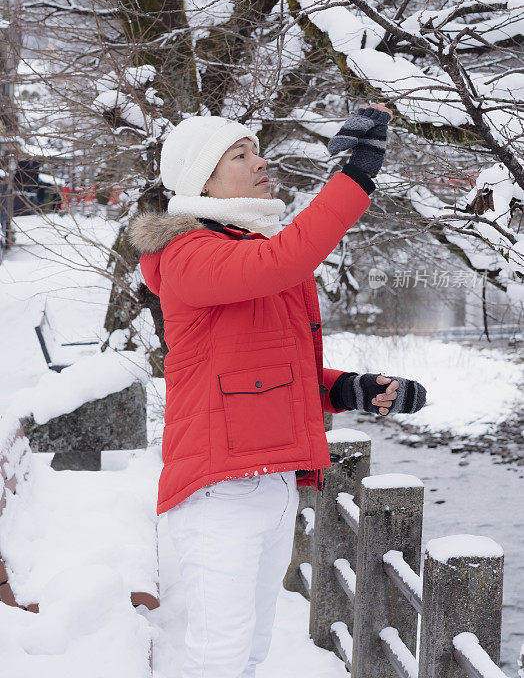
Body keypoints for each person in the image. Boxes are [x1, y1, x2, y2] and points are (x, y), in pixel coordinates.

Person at [128, 105, 427, 678]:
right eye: (239, 155)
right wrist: (355, 176)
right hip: (220, 492)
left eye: (254, 149)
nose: (259, 160)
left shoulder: (244, 254)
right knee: (219, 656)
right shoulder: (188, 255)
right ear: (202, 181)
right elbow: (287, 256)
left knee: (251, 652)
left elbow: (267, 377)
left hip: (269, 483)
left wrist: (353, 390)